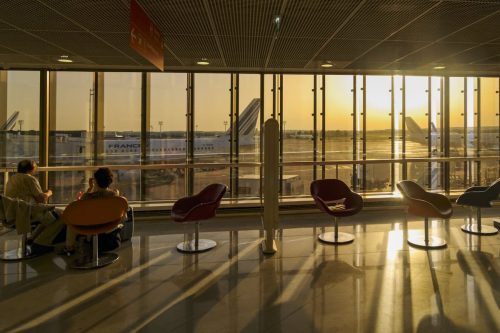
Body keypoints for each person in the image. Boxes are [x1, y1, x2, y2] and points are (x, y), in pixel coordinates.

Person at [5, 160, 63, 254]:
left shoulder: (12, 179)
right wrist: (49, 193)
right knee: (61, 215)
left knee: (48, 215)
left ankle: (32, 239)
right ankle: (41, 243)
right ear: (32, 169)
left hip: (13, 214)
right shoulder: (30, 179)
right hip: (27, 213)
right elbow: (41, 199)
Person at [64, 167, 124, 255]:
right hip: (108, 226)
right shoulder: (114, 195)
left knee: (71, 224)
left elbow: (79, 205)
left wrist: (90, 188)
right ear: (110, 181)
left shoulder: (87, 197)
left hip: (91, 226)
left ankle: (69, 247)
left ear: (95, 181)